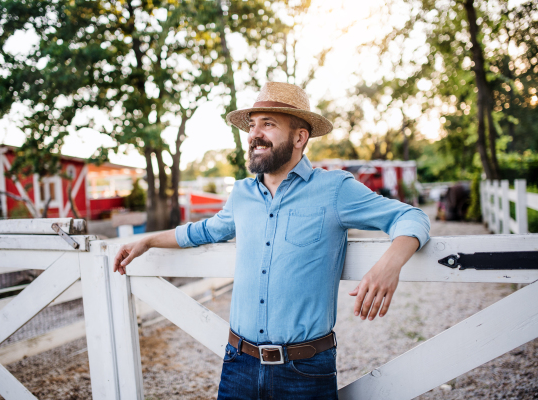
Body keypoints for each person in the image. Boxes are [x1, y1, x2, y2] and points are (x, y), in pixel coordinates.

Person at [113, 82, 430, 399]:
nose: (254, 134)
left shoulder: (335, 189)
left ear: (299, 137)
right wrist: (150, 241)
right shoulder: (242, 194)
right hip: (238, 363)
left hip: (304, 371)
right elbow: (204, 231)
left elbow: (412, 217)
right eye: (252, 125)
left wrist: (389, 265)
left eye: (268, 123)